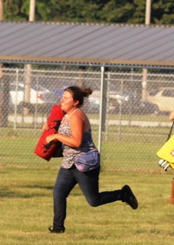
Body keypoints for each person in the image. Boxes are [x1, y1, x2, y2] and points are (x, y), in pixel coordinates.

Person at [46, 86, 137, 233]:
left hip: (84, 163)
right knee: (58, 193)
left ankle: (123, 194)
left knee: (94, 200)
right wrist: (50, 128)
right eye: (62, 96)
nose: (62, 100)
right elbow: (59, 130)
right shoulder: (65, 115)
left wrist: (56, 136)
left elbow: (76, 141)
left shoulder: (77, 115)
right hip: (69, 163)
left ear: (75, 102)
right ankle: (58, 229)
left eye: (66, 98)